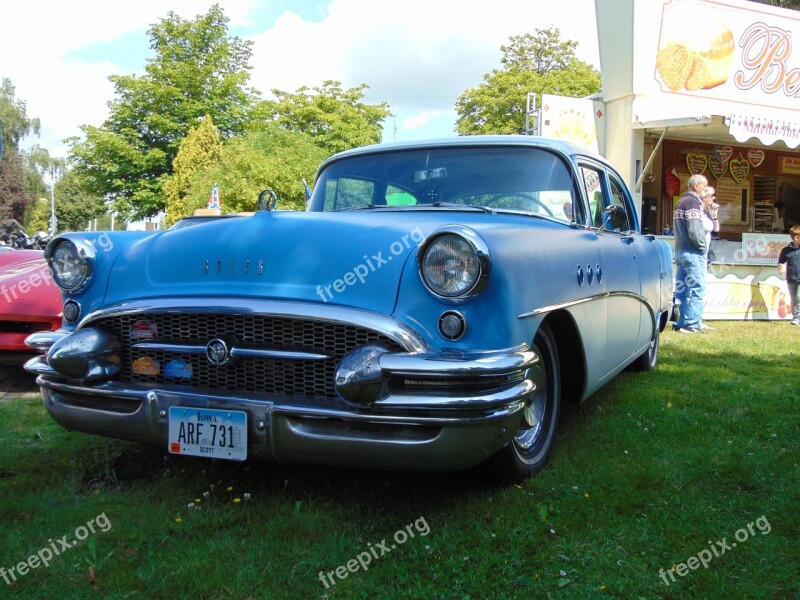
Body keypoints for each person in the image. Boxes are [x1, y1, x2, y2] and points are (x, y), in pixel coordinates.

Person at [673, 174, 708, 333]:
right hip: (692, 252)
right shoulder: (693, 203)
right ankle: (691, 324)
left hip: (680, 251)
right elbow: (694, 231)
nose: (705, 189)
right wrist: (702, 246)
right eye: (704, 186)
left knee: (683, 290)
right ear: (696, 186)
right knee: (698, 289)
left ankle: (680, 322)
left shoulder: (680, 202)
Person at [777, 224, 800, 325]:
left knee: (799, 298)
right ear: (796, 237)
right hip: (790, 279)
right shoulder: (785, 251)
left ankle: (798, 318)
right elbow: (780, 262)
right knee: (793, 298)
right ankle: (795, 317)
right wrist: (781, 266)